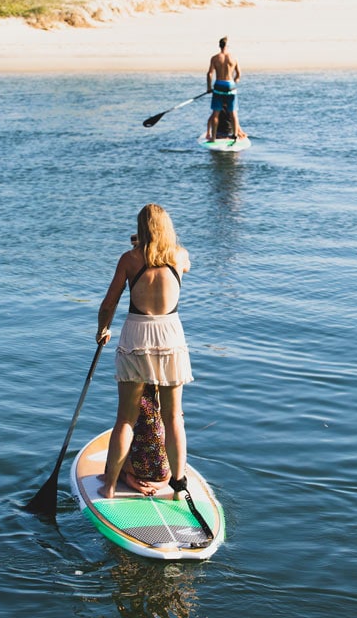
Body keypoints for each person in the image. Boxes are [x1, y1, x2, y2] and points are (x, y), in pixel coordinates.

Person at [96, 204, 192, 499]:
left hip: (137, 334)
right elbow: (178, 263)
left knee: (125, 418)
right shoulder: (180, 256)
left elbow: (109, 302)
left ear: (139, 229)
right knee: (174, 417)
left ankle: (110, 486)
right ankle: (178, 486)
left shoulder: (129, 259)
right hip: (169, 335)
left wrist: (103, 329)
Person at [206, 36, 242, 141]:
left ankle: (213, 137)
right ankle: (235, 135)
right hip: (230, 85)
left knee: (216, 112)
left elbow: (209, 74)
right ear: (227, 46)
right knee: (233, 112)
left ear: (219, 46)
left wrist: (209, 88)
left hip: (219, 84)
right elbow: (239, 74)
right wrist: (234, 83)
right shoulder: (234, 58)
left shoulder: (215, 58)